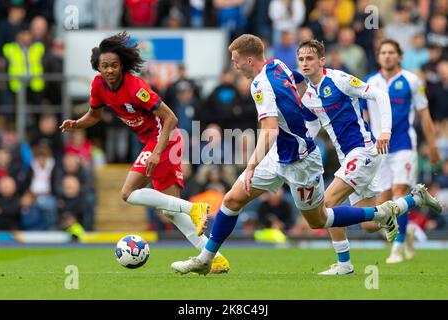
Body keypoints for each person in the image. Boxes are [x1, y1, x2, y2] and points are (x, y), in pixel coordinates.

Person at [170, 34, 441, 275]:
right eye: (301, 58)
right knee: (232, 198)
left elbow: (269, 130)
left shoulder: (269, 84)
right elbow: (297, 87)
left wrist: (251, 166)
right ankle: (206, 259)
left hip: (328, 157)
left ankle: (369, 234)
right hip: (283, 155)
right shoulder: (279, 67)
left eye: (235, 60)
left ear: (250, 60)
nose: (233, 65)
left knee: (320, 217)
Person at [59, 32, 229, 273]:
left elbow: (171, 118)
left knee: (128, 193)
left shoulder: (136, 87)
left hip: (165, 140)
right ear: (97, 66)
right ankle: (214, 258)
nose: (109, 70)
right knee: (171, 210)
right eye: (104, 66)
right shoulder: (98, 85)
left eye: (114, 66)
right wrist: (77, 123)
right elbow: (95, 115)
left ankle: (194, 209)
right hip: (153, 142)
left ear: (122, 66)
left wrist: (158, 152)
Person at [296, 39, 392, 275]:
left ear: (322, 61)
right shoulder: (308, 96)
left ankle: (344, 264)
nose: (305, 63)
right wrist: (295, 149)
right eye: (301, 59)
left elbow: (380, 95)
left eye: (310, 58)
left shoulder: (339, 80)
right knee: (369, 225)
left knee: (326, 205)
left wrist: (385, 131)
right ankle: (405, 204)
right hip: (347, 157)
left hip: (363, 151)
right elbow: (311, 128)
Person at [362, 39, 440, 264]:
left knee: (399, 192)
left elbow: (424, 114)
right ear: (378, 57)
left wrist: (432, 145)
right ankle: (408, 231)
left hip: (404, 145)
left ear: (399, 56)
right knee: (382, 209)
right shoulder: (370, 82)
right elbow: (364, 116)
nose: (387, 56)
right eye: (383, 52)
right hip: (379, 150)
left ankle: (396, 247)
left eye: (391, 52)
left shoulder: (411, 81)